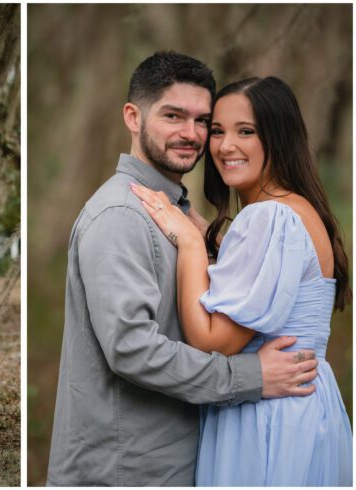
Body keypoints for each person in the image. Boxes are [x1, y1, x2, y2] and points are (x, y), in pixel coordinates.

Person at [47, 52, 320, 486]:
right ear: (133, 117)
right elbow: (132, 348)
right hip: (127, 470)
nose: (190, 134)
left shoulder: (176, 215)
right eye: (173, 115)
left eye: (201, 121)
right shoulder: (122, 214)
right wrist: (248, 376)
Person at [130, 76, 352, 486]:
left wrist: (191, 246)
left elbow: (214, 341)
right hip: (306, 408)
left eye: (245, 131)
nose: (225, 146)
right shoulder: (296, 208)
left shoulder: (268, 216)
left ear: (278, 137)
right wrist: (212, 237)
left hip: (268, 415)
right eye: (217, 131)